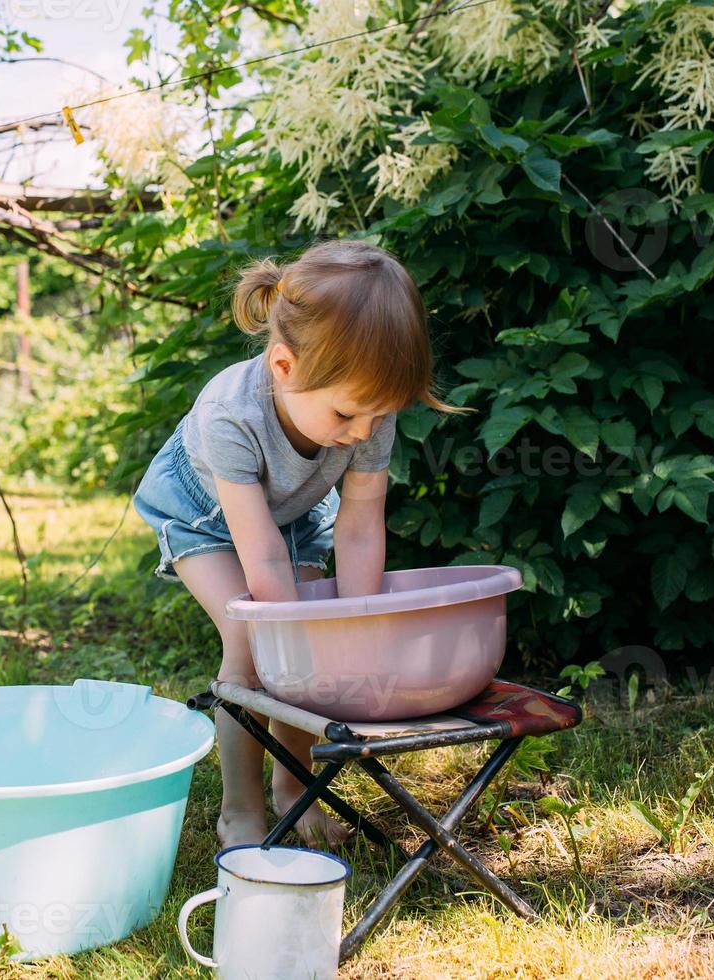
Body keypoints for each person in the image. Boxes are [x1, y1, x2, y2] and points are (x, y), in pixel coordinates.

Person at [133, 238, 466, 848]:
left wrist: (354, 621)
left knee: (308, 652)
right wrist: (292, 630)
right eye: (347, 418)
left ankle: (295, 790)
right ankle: (241, 806)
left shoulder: (365, 406)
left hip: (295, 513)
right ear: (284, 367)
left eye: (376, 417)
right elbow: (258, 554)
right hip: (206, 518)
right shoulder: (229, 415)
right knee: (254, 642)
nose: (362, 433)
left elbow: (362, 518)